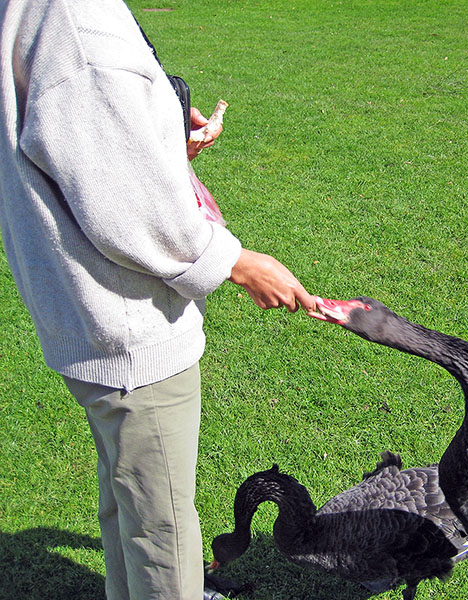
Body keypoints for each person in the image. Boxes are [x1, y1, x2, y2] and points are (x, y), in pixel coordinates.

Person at [0, 1, 316, 599]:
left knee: (132, 503)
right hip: (127, 331)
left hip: (89, 321)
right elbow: (127, 206)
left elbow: (89, 154)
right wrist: (240, 265)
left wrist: (157, 136)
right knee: (163, 528)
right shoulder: (77, 24)